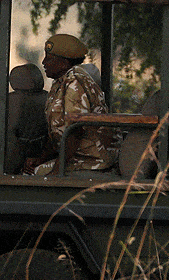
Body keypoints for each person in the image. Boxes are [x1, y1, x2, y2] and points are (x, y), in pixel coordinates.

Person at [23, 34, 115, 175]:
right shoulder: (60, 82)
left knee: (32, 176)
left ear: (64, 63)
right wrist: (41, 159)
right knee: (30, 170)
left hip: (91, 160)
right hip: (75, 157)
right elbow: (57, 131)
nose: (43, 62)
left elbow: (75, 131)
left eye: (49, 58)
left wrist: (56, 171)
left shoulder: (75, 82)